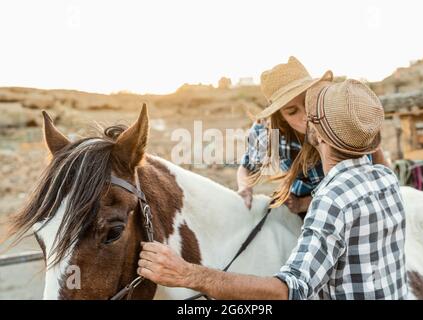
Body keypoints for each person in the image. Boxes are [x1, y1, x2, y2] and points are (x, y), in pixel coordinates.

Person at [137, 78, 408, 300]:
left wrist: (186, 274)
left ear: (319, 133)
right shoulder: (386, 178)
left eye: (311, 112)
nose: (304, 118)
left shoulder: (331, 199)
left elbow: (288, 291)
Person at [237, 57, 388, 216]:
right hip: (306, 208)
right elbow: (246, 168)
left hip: (357, 200)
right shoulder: (266, 132)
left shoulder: (336, 114)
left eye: (308, 101)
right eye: (292, 111)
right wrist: (244, 188)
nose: (306, 115)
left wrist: (303, 204)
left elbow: (377, 161)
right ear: (280, 117)